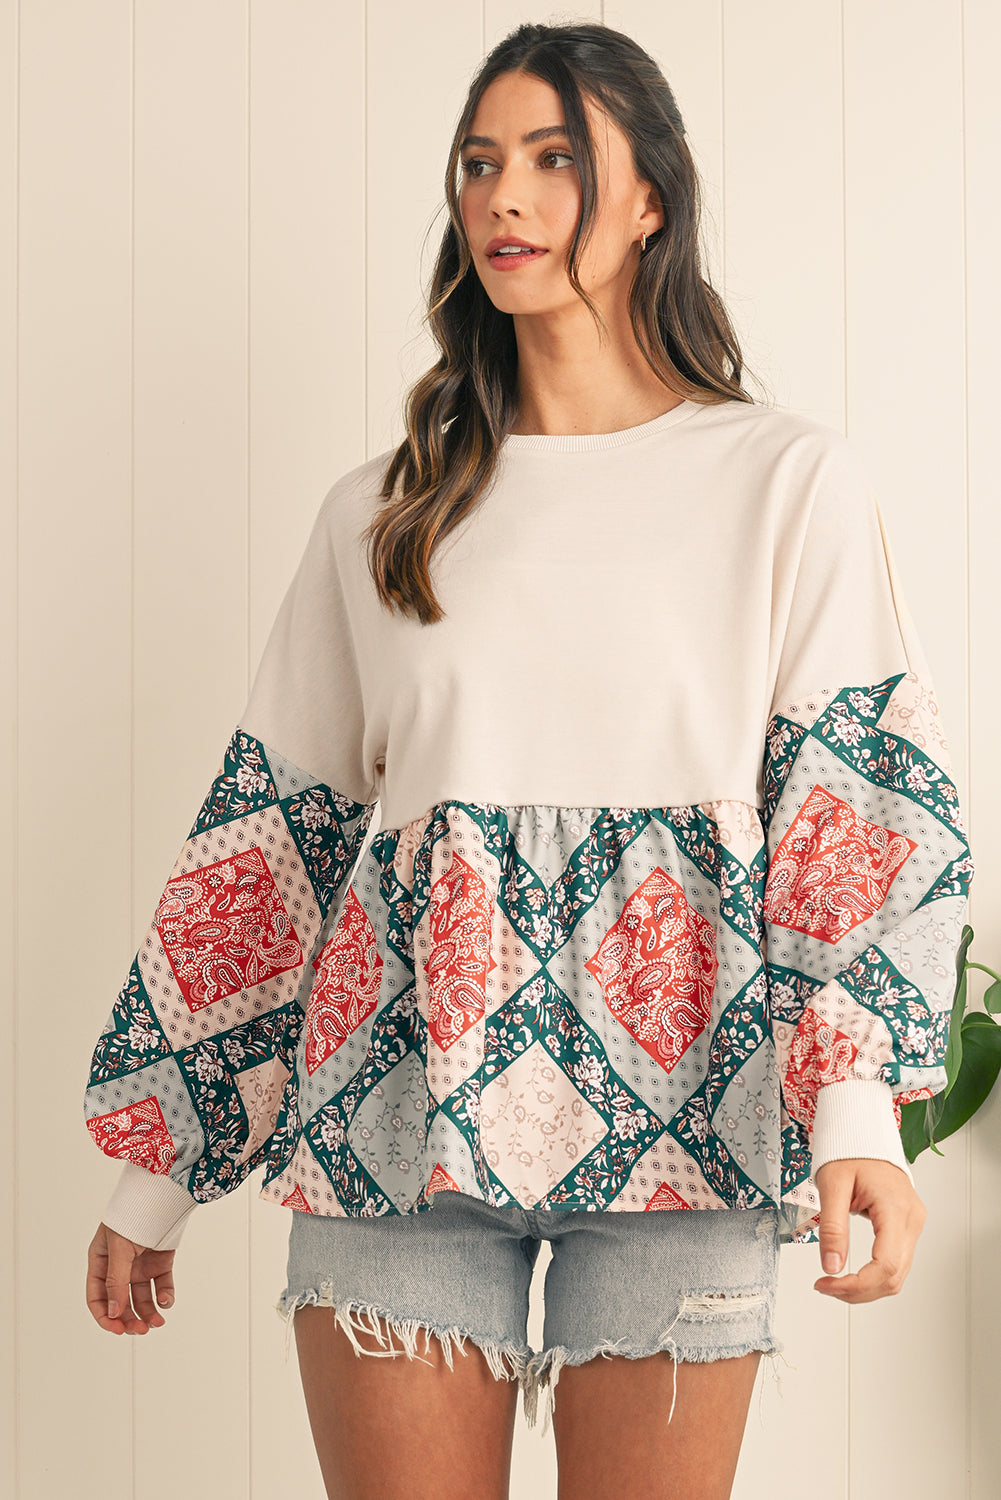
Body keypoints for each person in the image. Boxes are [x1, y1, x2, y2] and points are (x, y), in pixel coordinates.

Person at [82, 20, 973, 1500]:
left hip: (691, 1129)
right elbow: (274, 855)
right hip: (392, 1127)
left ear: (649, 204)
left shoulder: (782, 483)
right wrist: (154, 1179)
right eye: (480, 164)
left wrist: (856, 1117)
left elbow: (852, 817)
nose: (504, 197)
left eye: (555, 161)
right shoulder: (385, 514)